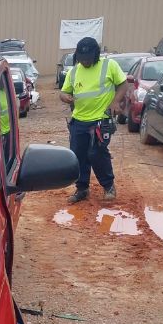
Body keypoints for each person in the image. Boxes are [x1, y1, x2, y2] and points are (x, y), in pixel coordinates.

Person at [59, 37, 127, 203]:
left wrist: (115, 101)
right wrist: (65, 97)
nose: (85, 61)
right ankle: (82, 188)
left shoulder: (108, 65)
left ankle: (108, 186)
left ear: (96, 55)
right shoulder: (74, 71)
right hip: (78, 120)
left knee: (96, 153)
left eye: (88, 58)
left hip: (100, 119)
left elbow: (123, 84)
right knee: (78, 155)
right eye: (82, 59)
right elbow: (63, 92)